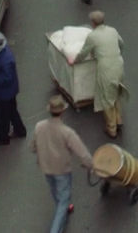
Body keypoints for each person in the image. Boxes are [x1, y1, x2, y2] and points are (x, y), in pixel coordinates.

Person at [30, 95, 93, 233]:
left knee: (55, 192)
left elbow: (33, 147)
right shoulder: (67, 132)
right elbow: (82, 153)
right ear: (63, 111)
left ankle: (64, 207)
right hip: (62, 170)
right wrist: (90, 165)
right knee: (63, 199)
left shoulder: (39, 126)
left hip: (46, 167)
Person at [71, 11, 127, 138]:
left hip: (106, 69)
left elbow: (83, 53)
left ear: (93, 23)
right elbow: (121, 44)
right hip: (118, 65)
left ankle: (111, 129)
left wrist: (73, 61)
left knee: (106, 97)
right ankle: (119, 120)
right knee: (116, 92)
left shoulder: (93, 36)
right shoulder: (112, 30)